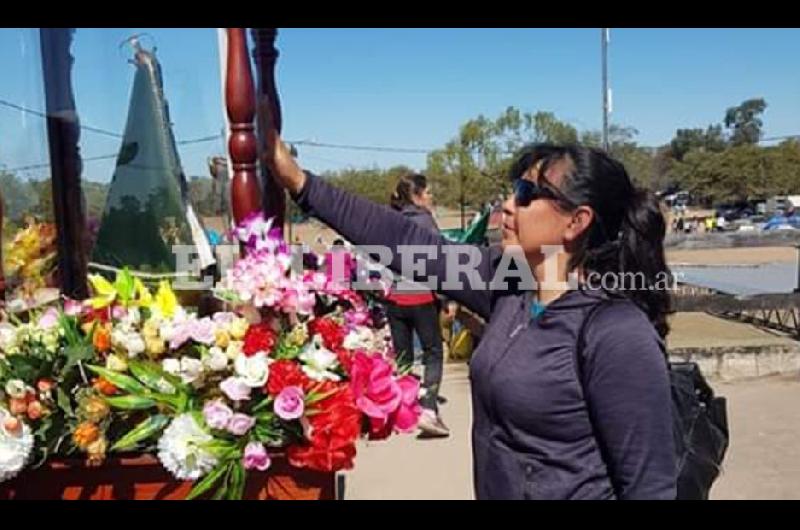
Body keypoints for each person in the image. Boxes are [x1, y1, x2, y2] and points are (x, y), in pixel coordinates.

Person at [263, 125, 676, 499]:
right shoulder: (510, 283)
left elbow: (650, 488)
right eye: (514, 189)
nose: (509, 205)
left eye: (528, 195)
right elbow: (407, 243)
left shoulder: (616, 333)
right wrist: (300, 183)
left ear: (576, 222)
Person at [381, 174, 449, 438]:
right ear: (417, 196)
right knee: (433, 353)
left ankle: (403, 410)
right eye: (428, 191)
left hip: (395, 299)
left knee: (403, 358)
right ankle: (429, 409)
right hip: (421, 297)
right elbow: (441, 262)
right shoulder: (425, 222)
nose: (431, 197)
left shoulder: (389, 221)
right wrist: (447, 298)